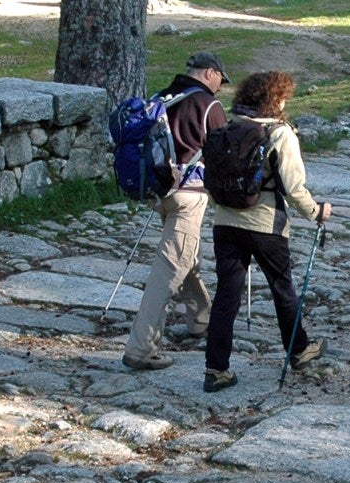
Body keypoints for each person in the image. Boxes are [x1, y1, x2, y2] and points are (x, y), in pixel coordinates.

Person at [203, 70, 332, 393]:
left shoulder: (229, 128)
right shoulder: (280, 133)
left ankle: (215, 369)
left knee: (226, 295)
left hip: (225, 221)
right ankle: (299, 350)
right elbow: (293, 187)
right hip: (265, 225)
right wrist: (316, 212)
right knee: (282, 288)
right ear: (276, 99)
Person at [122, 51, 231, 371]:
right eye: (220, 80)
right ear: (210, 73)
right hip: (189, 195)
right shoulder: (209, 106)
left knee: (185, 254)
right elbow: (222, 157)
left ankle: (201, 319)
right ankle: (141, 347)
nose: (221, 87)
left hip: (158, 193)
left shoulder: (162, 96)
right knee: (169, 269)